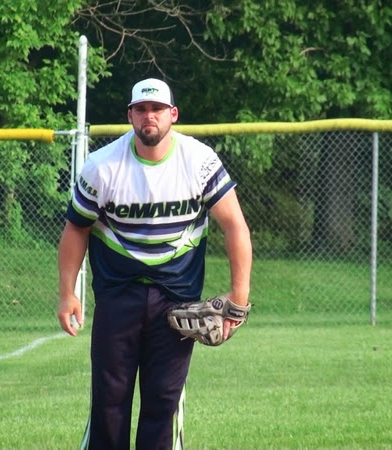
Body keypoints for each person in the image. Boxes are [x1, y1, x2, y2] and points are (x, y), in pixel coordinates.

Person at [57, 78, 252, 449]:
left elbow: (235, 225)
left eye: (158, 109)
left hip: (176, 300)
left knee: (164, 402)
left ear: (172, 114)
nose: (150, 116)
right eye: (142, 109)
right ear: (130, 116)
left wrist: (238, 300)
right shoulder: (102, 166)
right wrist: (68, 293)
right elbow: (76, 228)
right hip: (118, 295)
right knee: (109, 403)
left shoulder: (199, 161)